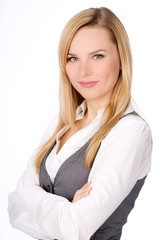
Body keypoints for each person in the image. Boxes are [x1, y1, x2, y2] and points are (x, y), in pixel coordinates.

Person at [8, 7, 152, 240]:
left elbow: (75, 228)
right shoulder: (62, 122)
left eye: (97, 56)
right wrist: (63, 208)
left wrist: (30, 195)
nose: (83, 71)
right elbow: (14, 208)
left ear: (121, 59)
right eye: (73, 58)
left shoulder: (130, 131)